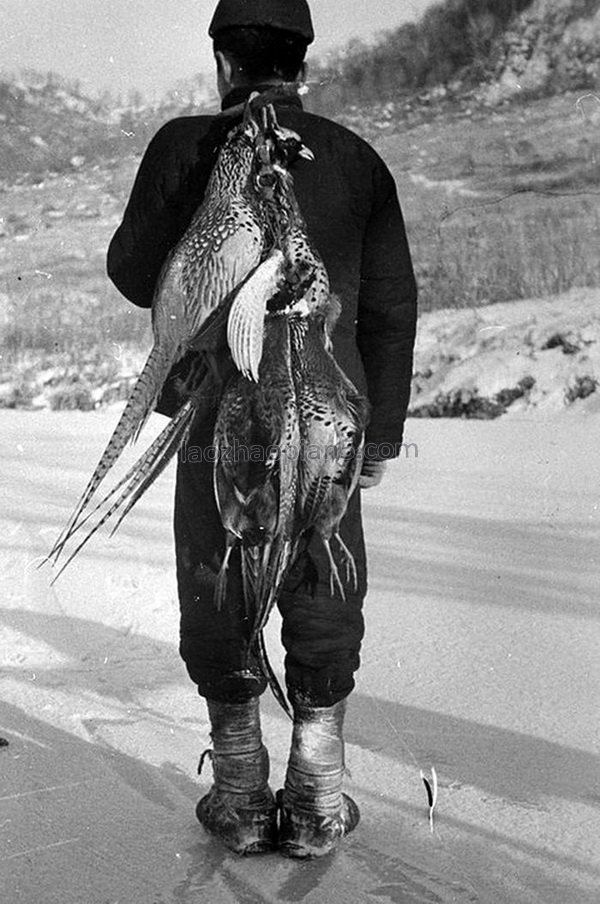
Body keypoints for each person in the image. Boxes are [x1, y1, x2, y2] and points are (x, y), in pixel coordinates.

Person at [107, 0, 417, 860]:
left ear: (221, 62)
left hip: (219, 409)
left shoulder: (184, 146)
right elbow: (391, 308)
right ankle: (316, 795)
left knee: (219, 568)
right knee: (324, 566)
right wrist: (381, 434)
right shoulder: (355, 159)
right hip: (328, 418)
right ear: (304, 62)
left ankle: (242, 793)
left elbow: (134, 275)